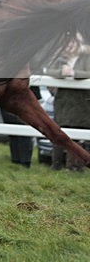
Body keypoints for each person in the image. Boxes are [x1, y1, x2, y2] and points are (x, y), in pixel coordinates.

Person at [45, 39, 90, 172]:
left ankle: (76, 167)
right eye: (66, 43)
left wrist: (74, 74)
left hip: (82, 103)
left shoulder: (86, 57)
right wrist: (61, 74)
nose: (69, 46)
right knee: (58, 133)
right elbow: (49, 72)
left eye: (72, 42)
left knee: (77, 134)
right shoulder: (58, 59)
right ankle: (57, 166)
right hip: (63, 102)